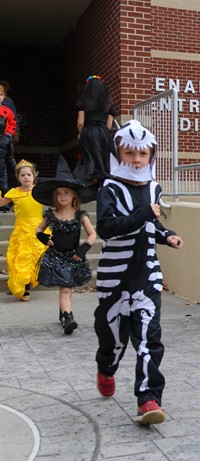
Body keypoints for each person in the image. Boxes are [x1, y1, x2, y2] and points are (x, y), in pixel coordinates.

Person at [94, 119, 183, 425]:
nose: (135, 160)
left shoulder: (154, 188)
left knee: (149, 340)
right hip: (115, 279)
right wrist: (146, 214)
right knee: (114, 342)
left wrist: (167, 234)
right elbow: (107, 228)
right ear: (118, 154)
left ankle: (149, 399)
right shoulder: (110, 188)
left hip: (147, 278)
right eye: (129, 153)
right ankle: (106, 368)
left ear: (150, 157)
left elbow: (151, 225)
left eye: (142, 154)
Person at [32, 155, 96, 335]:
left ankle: (63, 312)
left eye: (66, 193)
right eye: (59, 193)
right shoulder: (51, 215)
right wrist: (44, 239)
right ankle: (68, 318)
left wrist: (84, 248)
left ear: (74, 194)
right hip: (55, 257)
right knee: (65, 288)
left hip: (74, 256)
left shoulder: (80, 215)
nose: (62, 196)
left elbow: (92, 234)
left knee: (68, 287)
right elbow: (37, 230)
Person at [0, 159, 49, 301]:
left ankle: (31, 281)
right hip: (21, 231)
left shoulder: (40, 190)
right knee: (23, 259)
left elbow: (54, 200)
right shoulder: (14, 192)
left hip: (39, 230)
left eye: (29, 174)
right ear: (18, 177)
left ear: (34, 176)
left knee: (35, 259)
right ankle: (25, 287)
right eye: (23, 175)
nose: (26, 177)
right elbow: (2, 202)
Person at [73, 74, 117, 190]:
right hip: (103, 133)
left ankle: (87, 182)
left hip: (89, 132)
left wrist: (80, 133)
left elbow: (81, 122)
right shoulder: (108, 104)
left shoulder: (83, 102)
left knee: (89, 158)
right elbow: (109, 125)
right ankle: (102, 183)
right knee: (103, 158)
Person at [0, 80, 20, 189]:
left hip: (5, 138)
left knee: (9, 162)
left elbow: (13, 119)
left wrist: (13, 133)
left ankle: (18, 184)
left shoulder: (8, 102)